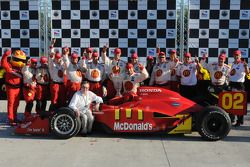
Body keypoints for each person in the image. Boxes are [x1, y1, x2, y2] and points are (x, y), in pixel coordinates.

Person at [1, 50, 26, 126]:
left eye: (21, 60)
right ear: (13, 58)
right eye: (18, 59)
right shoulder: (9, 65)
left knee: (16, 104)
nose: (20, 61)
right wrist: (5, 55)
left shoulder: (22, 68)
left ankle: (15, 117)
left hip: (18, 88)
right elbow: (3, 63)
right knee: (11, 104)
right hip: (11, 88)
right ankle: (11, 119)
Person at [229, 50, 249, 126]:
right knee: (231, 103)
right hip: (232, 84)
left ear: (240, 56)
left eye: (238, 55)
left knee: (239, 105)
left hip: (239, 85)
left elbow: (247, 73)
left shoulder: (242, 64)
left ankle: (239, 121)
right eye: (235, 55)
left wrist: (246, 66)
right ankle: (232, 119)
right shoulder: (233, 64)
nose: (236, 56)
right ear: (233, 56)